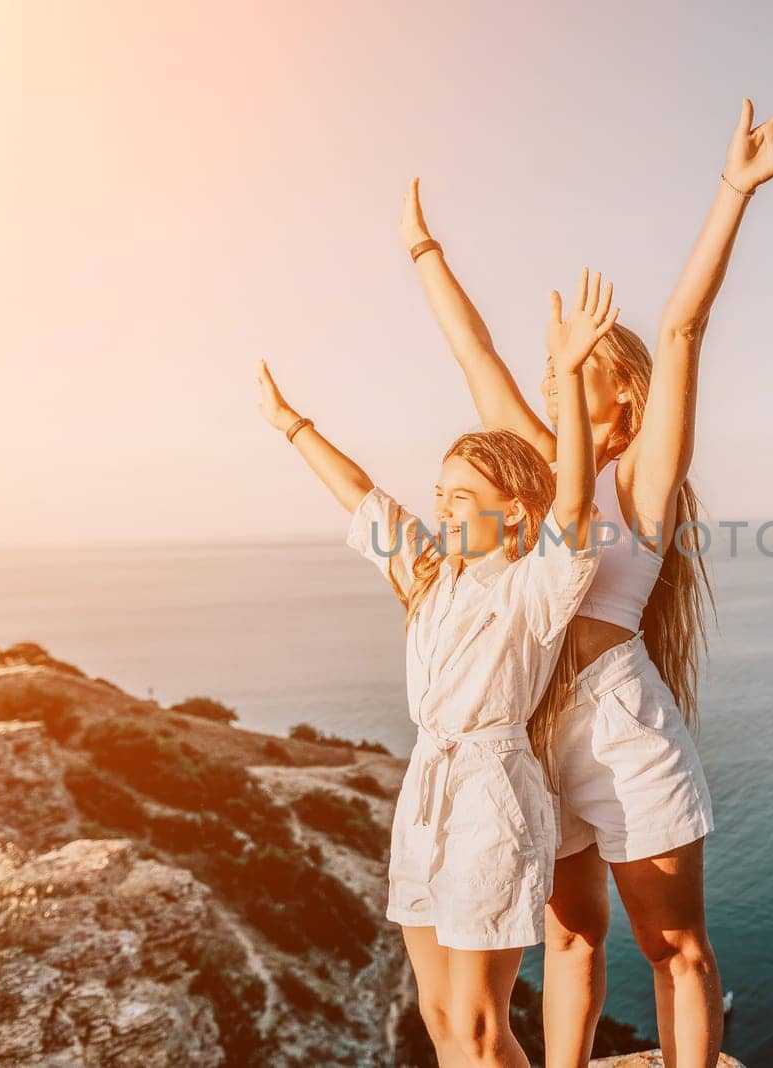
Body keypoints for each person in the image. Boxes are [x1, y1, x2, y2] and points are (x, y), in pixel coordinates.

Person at [399, 98, 773, 1067]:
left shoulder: (637, 481)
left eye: (576, 368)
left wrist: (733, 191)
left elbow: (680, 328)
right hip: (530, 731)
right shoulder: (543, 472)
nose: (554, 382)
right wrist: (423, 250)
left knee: (672, 945)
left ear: (620, 392)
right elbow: (476, 356)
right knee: (567, 936)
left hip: (620, 721)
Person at [254, 267, 622, 1067]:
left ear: (511, 513)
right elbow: (360, 494)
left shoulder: (536, 587)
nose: (441, 509)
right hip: (427, 788)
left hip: (493, 796)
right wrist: (291, 425)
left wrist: (569, 375)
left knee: (484, 1025)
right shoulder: (426, 574)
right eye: (439, 494)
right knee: (442, 1019)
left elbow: (575, 511)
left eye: (460, 498)